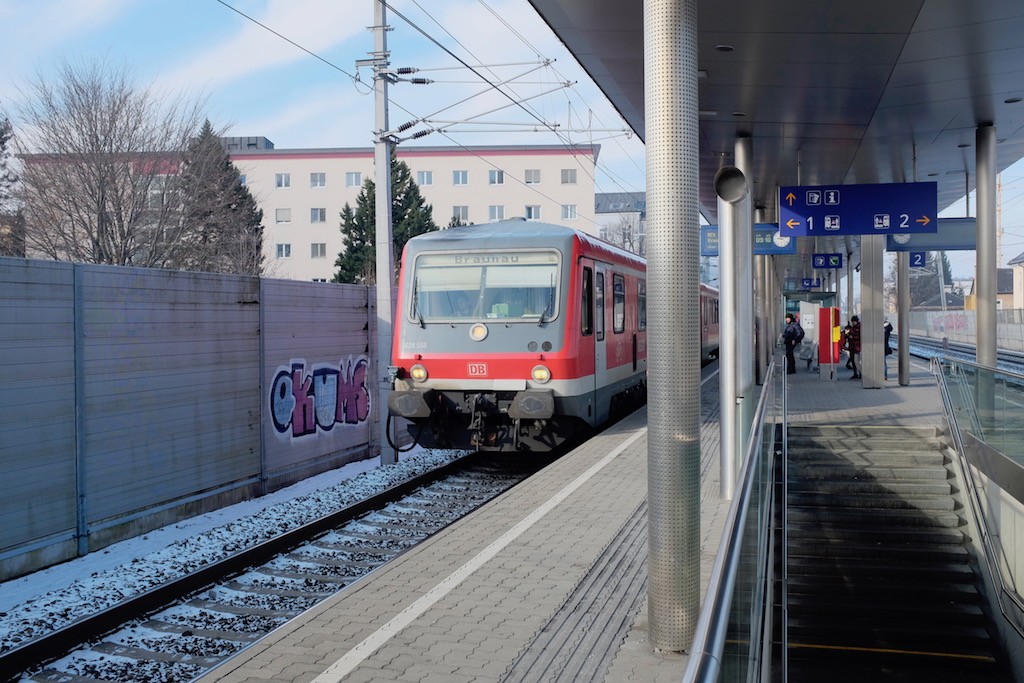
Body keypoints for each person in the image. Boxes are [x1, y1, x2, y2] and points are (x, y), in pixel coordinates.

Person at [848, 315, 862, 380]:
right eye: (852, 322)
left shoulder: (860, 328)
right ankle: (855, 374)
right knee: (853, 361)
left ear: (856, 321)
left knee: (856, 361)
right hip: (852, 347)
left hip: (857, 347)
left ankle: (861, 373)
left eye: (853, 322)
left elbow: (860, 337)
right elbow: (848, 334)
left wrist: (852, 337)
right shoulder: (852, 327)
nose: (852, 323)